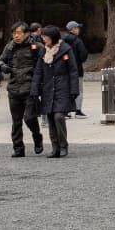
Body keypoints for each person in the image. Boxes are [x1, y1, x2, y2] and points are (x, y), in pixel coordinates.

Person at [0, 22, 44, 157]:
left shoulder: (36, 47)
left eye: (18, 33)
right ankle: (18, 148)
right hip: (13, 88)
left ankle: (37, 137)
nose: (16, 36)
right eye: (14, 33)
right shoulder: (10, 46)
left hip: (30, 88)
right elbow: (0, 60)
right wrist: (3, 67)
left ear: (26, 34)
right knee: (16, 121)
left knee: (29, 118)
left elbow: (43, 66)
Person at [32, 25, 77, 158]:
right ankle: (55, 147)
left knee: (59, 116)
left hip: (63, 88)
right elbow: (38, 71)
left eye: (45, 36)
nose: (43, 39)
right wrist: (35, 89)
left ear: (53, 37)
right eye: (43, 36)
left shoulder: (66, 49)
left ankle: (63, 145)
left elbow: (73, 71)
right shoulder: (43, 51)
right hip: (48, 88)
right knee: (51, 118)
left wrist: (74, 90)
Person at [62, 21, 89, 117]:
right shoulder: (78, 41)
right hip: (77, 69)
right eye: (77, 28)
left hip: (64, 70)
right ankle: (78, 111)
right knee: (79, 90)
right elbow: (83, 55)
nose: (79, 29)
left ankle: (65, 111)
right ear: (72, 29)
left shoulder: (62, 40)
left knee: (66, 89)